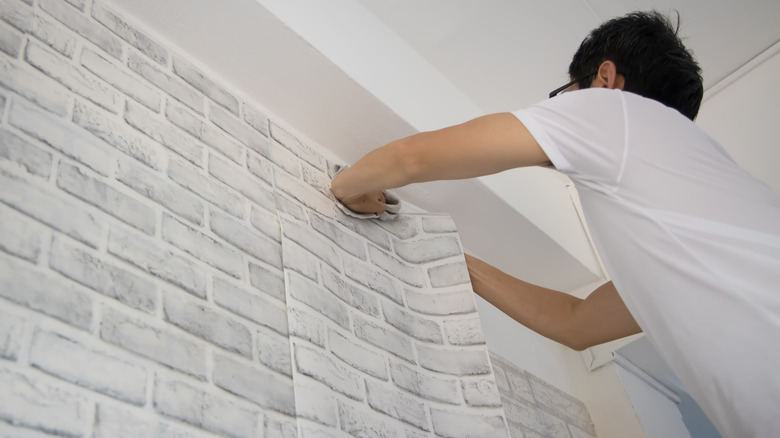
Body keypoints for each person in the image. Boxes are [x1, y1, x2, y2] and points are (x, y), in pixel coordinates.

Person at [331, 11, 780, 438]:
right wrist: (444, 252)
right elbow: (577, 323)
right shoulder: (700, 216)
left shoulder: (614, 110)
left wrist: (346, 186)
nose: (564, 107)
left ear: (605, 79)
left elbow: (413, 158)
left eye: (566, 92)